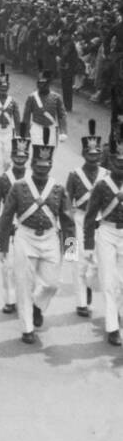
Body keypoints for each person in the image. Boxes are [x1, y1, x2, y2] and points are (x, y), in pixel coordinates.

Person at [0, 126, 77, 345]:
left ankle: (37, 306)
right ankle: (27, 328)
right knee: (24, 283)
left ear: (50, 165)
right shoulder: (19, 187)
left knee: (51, 284)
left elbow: (68, 221)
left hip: (50, 238)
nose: (42, 170)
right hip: (25, 237)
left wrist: (71, 250)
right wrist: (2, 246)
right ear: (32, 165)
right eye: (38, 167)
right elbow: (5, 218)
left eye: (46, 167)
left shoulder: (58, 189)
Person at [82, 132, 123, 347]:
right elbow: (88, 217)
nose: (121, 165)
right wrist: (87, 245)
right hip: (103, 231)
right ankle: (112, 327)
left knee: (121, 281)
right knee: (108, 281)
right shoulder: (99, 184)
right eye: (118, 160)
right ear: (111, 160)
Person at [65, 121, 105, 319]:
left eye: (97, 154)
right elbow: (65, 205)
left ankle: (89, 284)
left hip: (100, 222)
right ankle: (81, 302)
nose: (94, 158)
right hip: (79, 220)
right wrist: (68, 240)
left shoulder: (106, 175)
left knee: (98, 264)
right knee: (77, 261)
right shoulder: (74, 175)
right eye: (90, 154)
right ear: (83, 154)